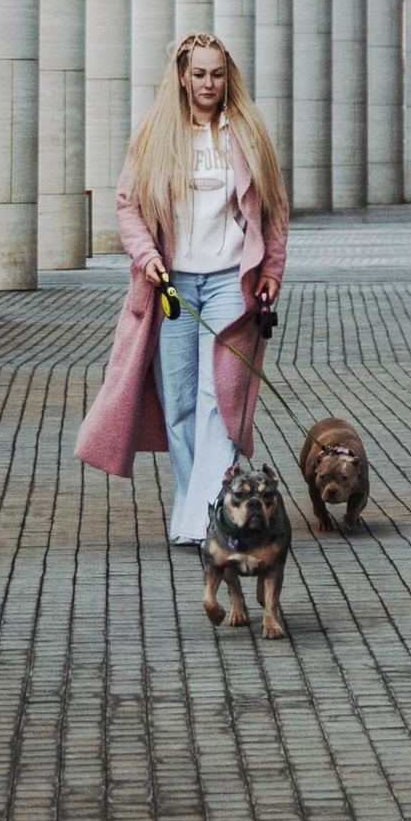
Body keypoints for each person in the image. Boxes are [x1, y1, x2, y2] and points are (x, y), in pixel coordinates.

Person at [74, 33, 289, 544]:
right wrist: (147, 257)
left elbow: (274, 212)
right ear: (182, 76)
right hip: (172, 286)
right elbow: (127, 204)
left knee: (222, 397)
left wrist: (272, 272)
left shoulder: (247, 133)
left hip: (228, 284)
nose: (208, 84)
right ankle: (198, 508)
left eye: (216, 73)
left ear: (227, 76)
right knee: (181, 401)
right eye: (199, 74)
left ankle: (208, 513)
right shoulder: (155, 134)